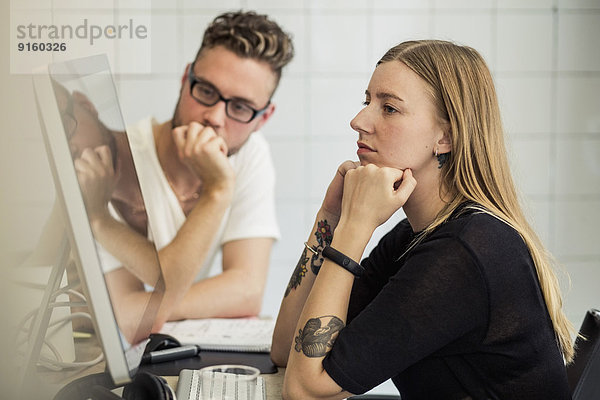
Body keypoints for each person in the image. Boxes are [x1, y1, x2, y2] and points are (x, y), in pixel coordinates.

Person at [271, 40, 574, 400]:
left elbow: (306, 391)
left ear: (444, 136)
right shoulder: (412, 236)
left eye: (389, 108)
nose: (358, 120)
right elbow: (288, 348)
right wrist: (330, 218)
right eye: (366, 101)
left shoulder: (464, 252)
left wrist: (355, 228)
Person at [63, 10, 294, 336]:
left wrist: (155, 305)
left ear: (263, 117)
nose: (214, 117)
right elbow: (127, 319)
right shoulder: (109, 165)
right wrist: (218, 190)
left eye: (240, 107)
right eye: (206, 91)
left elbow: (246, 289)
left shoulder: (250, 154)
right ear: (186, 78)